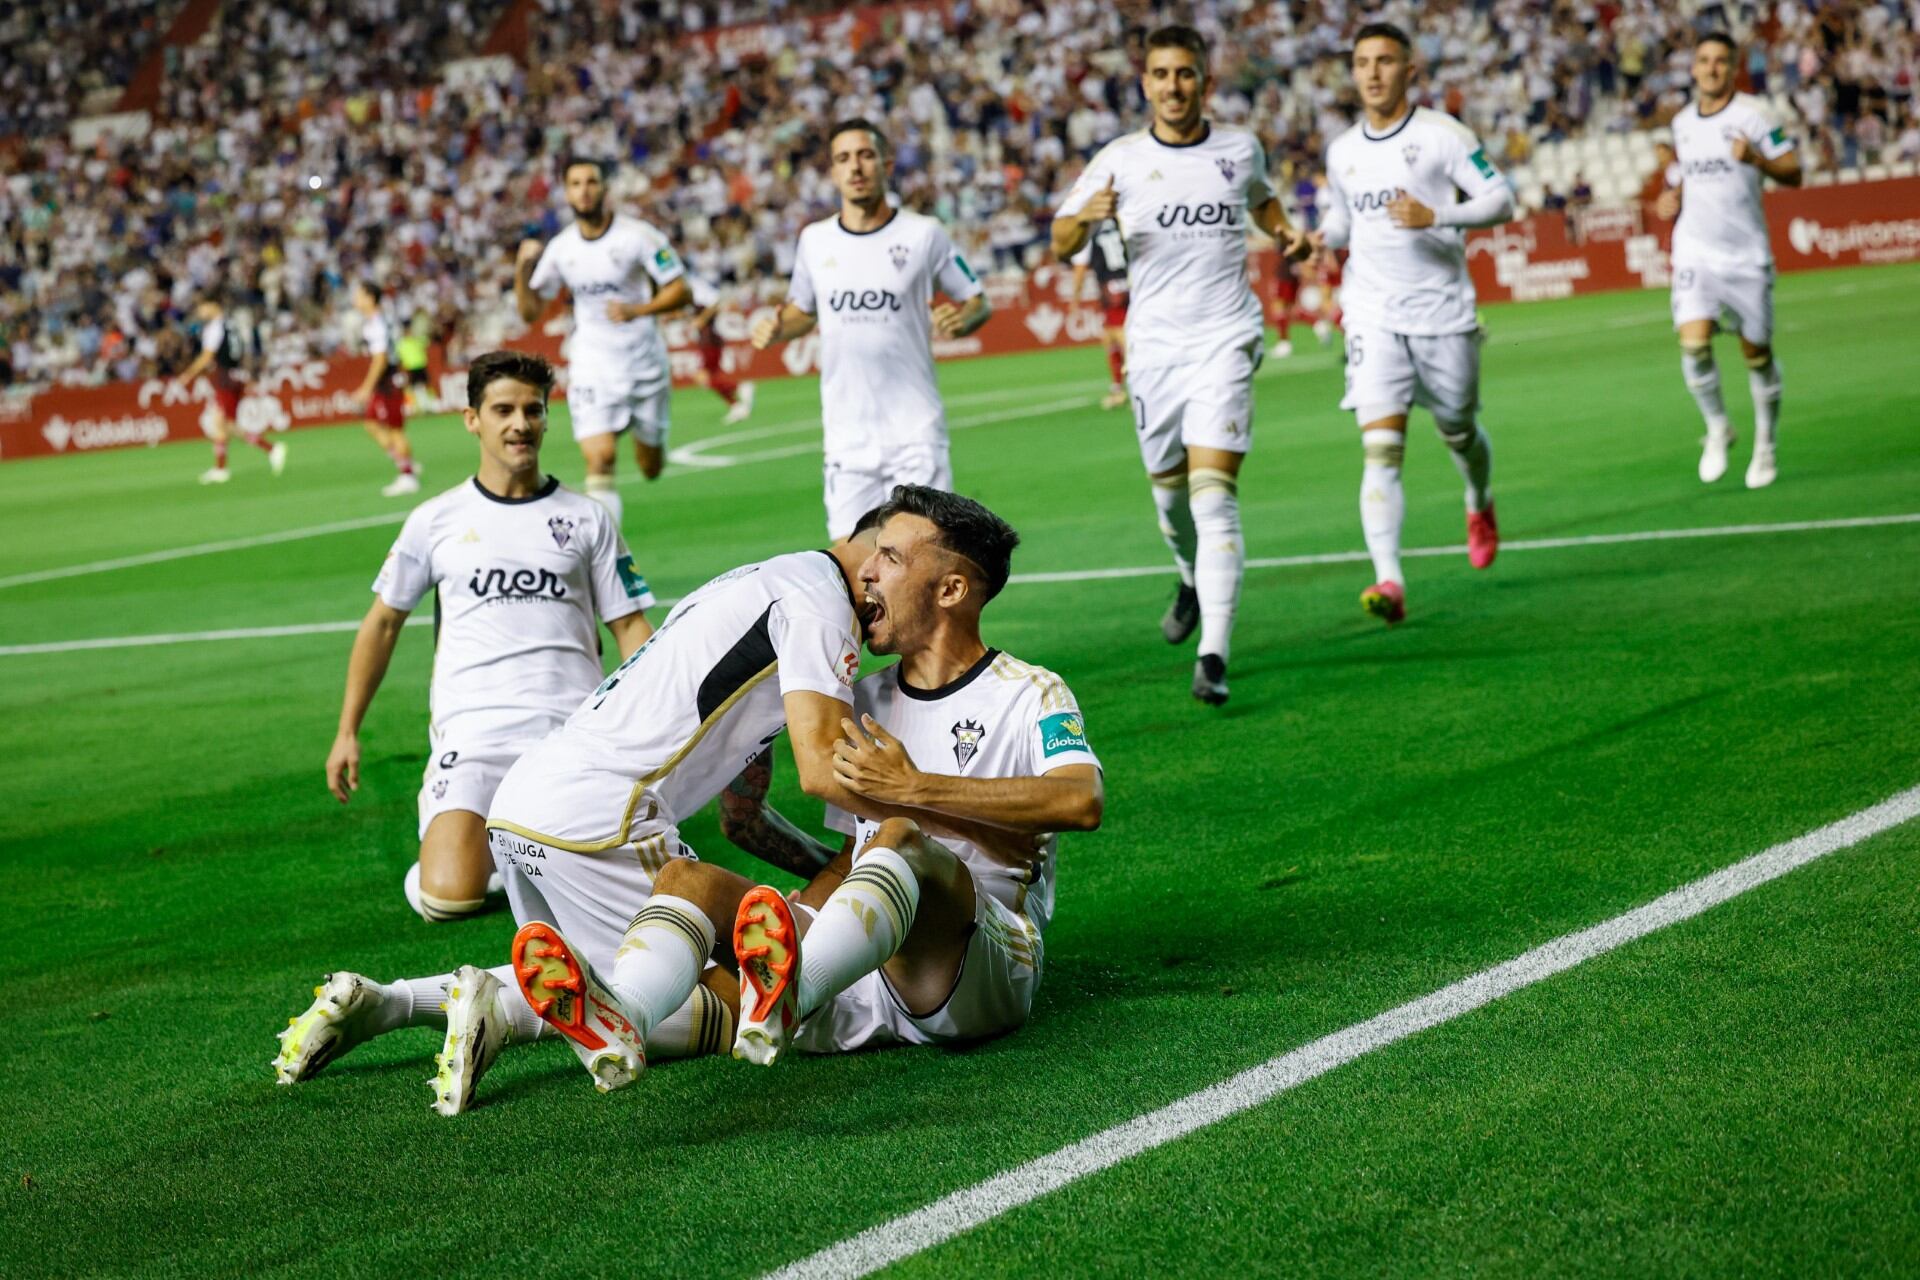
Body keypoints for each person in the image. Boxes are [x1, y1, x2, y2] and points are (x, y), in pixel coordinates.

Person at [275, 509, 891, 1116]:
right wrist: (901, 831)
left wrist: (825, 876)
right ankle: (498, 1012)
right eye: (891, 562)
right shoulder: (821, 602)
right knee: (743, 995)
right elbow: (820, 771)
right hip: (606, 814)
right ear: (870, 559)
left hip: (524, 801)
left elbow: (743, 818)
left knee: (601, 982)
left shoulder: (752, 584)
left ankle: (386, 1003)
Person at [504, 486, 1103, 1081]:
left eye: (891, 557)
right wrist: (802, 916)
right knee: (686, 880)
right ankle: (628, 1014)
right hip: (869, 968)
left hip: (981, 965)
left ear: (950, 589)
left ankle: (797, 987)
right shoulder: (866, 698)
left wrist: (916, 788)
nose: (866, 570)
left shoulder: (1032, 691)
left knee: (897, 837)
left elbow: (1081, 799)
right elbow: (852, 858)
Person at [323, 348, 656, 926]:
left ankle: (512, 846)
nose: (519, 424)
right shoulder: (435, 520)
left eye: (533, 409)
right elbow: (382, 623)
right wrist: (347, 730)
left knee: (620, 896)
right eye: (502, 409)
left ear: (548, 417)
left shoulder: (587, 518)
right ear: (472, 418)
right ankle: (484, 851)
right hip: (473, 735)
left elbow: (630, 627)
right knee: (449, 899)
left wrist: (654, 726)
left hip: (570, 734)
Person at [1051, 24, 1311, 706]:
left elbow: (1261, 197)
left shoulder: (1238, 148)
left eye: (1186, 74)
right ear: (1146, 84)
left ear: (1205, 81)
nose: (1174, 86)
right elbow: (1059, 238)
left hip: (1225, 337)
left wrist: (1284, 231)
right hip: (1155, 352)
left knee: (1214, 498)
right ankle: (1189, 577)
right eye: (1162, 75)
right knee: (1171, 503)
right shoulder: (1120, 160)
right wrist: (1087, 219)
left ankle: (1214, 654)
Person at [1314, 22, 1516, 625]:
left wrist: (1439, 215)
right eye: (1362, 62)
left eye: (1384, 61)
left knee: (1459, 429)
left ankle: (1478, 501)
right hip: (1372, 315)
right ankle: (1389, 578)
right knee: (1381, 449)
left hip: (1443, 314)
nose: (1372, 72)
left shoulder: (1442, 136)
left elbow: (1502, 198)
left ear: (1411, 70)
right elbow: (1342, 224)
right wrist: (1314, 240)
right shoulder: (1343, 150)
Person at [750, 119, 992, 539]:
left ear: (887, 163)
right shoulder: (814, 240)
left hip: (915, 430)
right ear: (833, 171)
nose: (855, 167)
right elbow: (802, 311)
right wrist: (776, 327)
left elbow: (977, 299)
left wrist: (962, 317)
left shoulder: (923, 234)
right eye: (843, 158)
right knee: (852, 569)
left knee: (922, 561)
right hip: (847, 435)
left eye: (865, 155)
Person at [1655, 32, 1801, 490]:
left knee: (1755, 356)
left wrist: (1756, 158)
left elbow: (1794, 172)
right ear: (1693, 69)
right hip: (1694, 251)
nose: (1712, 68)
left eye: (1721, 61)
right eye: (1704, 60)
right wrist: (1670, 197)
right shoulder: (1682, 123)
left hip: (1745, 256)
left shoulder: (1754, 116)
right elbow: (1684, 176)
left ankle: (1766, 444)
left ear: (1733, 67)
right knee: (1693, 345)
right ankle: (1718, 427)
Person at [515, 157, 693, 525]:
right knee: (600, 458)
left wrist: (640, 309)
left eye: (591, 182)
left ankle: (649, 440)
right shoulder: (562, 248)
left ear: (604, 189)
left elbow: (681, 290)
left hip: (643, 362)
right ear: (567, 193)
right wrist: (521, 269)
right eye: (576, 183)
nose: (584, 190)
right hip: (593, 363)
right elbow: (531, 312)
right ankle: (606, 558)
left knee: (650, 467)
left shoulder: (638, 236)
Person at [173, 296, 285, 485]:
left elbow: (207, 355)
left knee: (222, 423)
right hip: (236, 375)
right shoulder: (231, 324)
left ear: (214, 306)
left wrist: (188, 375)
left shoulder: (214, 328)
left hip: (224, 377)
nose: (200, 313)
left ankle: (265, 450)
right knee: (225, 424)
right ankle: (260, 453)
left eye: (203, 307)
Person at [350, 281, 419, 497]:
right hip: (388, 379)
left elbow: (380, 358)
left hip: (388, 380)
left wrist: (365, 389)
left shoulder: (376, 323)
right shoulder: (378, 320)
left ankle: (407, 475)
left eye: (359, 295)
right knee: (371, 424)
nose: (356, 300)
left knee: (394, 429)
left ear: (370, 298)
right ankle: (404, 461)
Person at [1069, 220, 1131, 409]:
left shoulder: (1089, 233)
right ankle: (1117, 388)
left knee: (1119, 337)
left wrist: (1075, 298)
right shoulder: (1120, 223)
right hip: (1129, 283)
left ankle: (1135, 390)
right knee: (1114, 338)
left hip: (1111, 289)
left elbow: (1080, 268)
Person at [684, 271, 755, 426]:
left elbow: (715, 301)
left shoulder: (694, 284)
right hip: (708, 339)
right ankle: (736, 406)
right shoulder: (689, 287)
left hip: (710, 339)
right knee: (710, 378)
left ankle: (740, 387)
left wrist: (701, 319)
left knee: (703, 377)